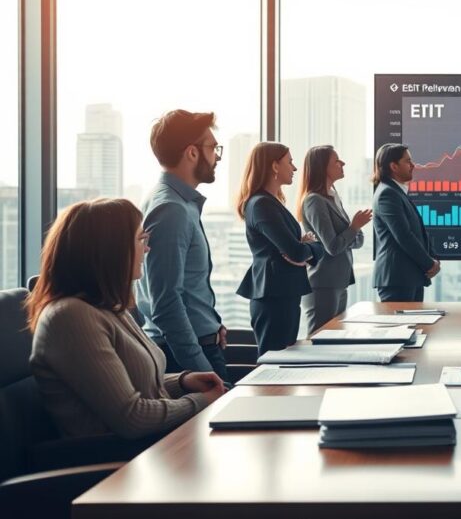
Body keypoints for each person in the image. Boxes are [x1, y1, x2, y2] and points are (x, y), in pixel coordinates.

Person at [27, 198, 226, 440]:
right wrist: (201, 401)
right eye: (141, 239)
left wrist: (183, 382)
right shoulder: (70, 317)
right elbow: (133, 417)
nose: (147, 248)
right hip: (114, 465)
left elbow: (133, 383)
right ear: (111, 249)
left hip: (150, 451)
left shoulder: (110, 308)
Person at [136, 109, 229, 381]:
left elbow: (187, 284)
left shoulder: (179, 204)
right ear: (192, 152)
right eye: (213, 148)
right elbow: (165, 303)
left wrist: (210, 323)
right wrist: (204, 371)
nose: (217, 157)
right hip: (187, 358)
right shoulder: (171, 210)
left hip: (200, 343)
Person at [236, 142, 325, 355]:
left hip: (282, 292)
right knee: (274, 365)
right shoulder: (261, 204)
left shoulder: (271, 202)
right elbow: (295, 251)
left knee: (285, 361)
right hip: (273, 295)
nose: (294, 168)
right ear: (275, 166)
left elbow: (294, 250)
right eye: (290, 162)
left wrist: (304, 248)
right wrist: (310, 246)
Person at [297, 145, 372, 334]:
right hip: (323, 283)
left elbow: (358, 241)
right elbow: (333, 246)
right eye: (336, 160)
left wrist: (353, 230)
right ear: (323, 167)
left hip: (338, 281)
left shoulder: (333, 198)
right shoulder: (315, 201)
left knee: (334, 337)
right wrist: (354, 227)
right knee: (320, 339)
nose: (343, 163)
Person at [371, 143, 439, 302]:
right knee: (401, 327)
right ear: (393, 166)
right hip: (397, 278)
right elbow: (403, 235)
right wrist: (429, 263)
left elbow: (417, 232)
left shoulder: (396, 191)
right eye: (407, 161)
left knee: (414, 326)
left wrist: (432, 260)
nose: (413, 165)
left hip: (409, 276)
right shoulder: (387, 194)